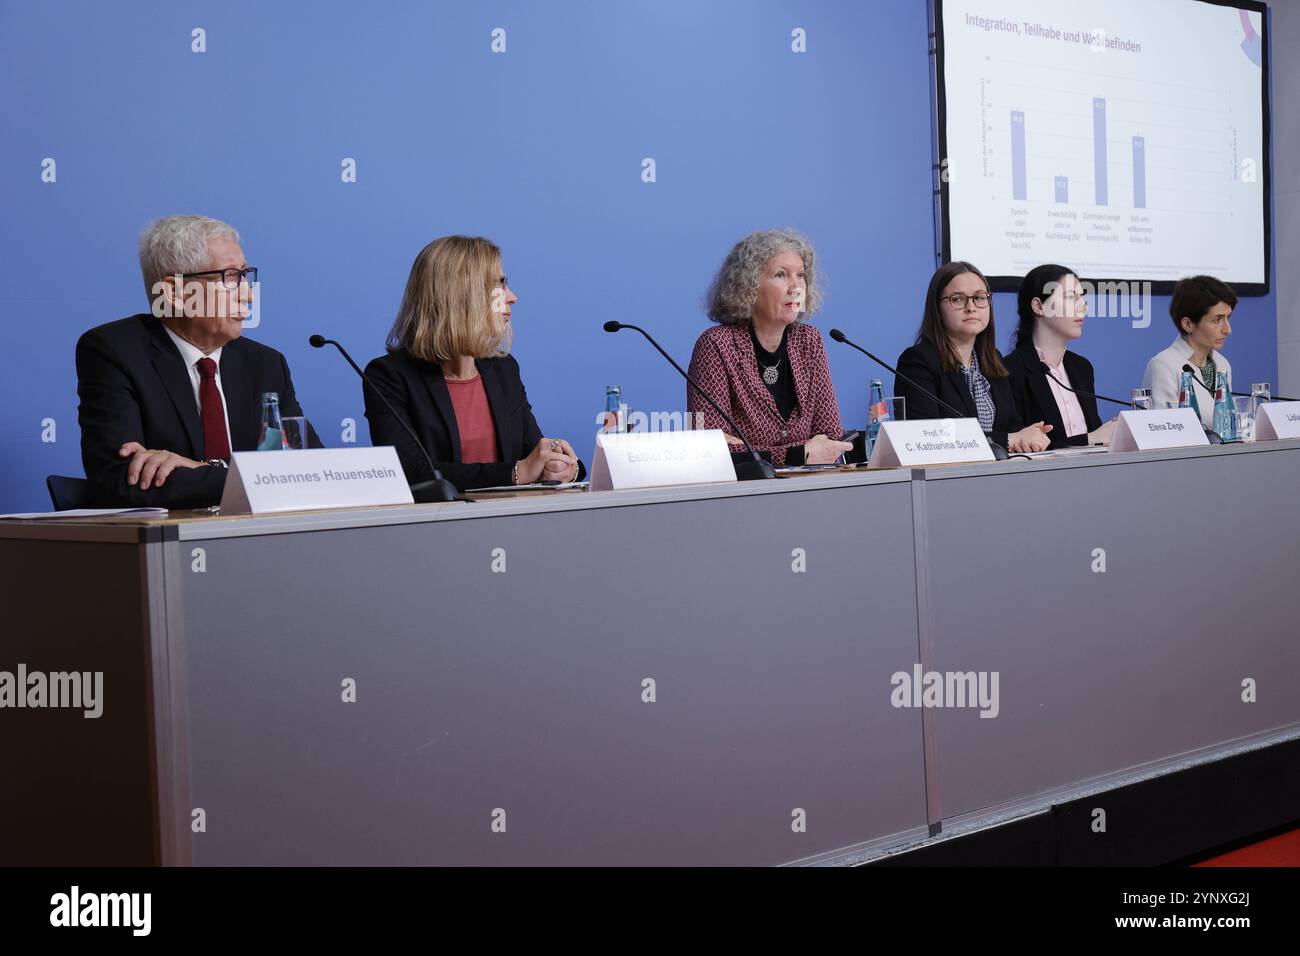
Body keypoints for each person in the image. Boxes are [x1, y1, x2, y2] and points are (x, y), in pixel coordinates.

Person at [75, 215, 319, 508]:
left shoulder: (265, 363)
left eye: (245, 275)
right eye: (230, 277)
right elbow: (121, 479)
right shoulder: (115, 351)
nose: (248, 295)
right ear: (176, 293)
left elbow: (309, 472)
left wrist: (197, 470)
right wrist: (254, 480)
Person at [364, 235, 582, 491]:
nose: (512, 297)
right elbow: (411, 472)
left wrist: (559, 466)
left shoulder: (503, 368)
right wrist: (516, 472)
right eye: (499, 285)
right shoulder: (389, 376)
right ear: (461, 296)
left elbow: (529, 451)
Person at [687, 228, 851, 467]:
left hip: (809, 488)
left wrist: (752, 449)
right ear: (748, 286)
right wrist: (797, 453)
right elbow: (710, 446)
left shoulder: (809, 341)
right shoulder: (716, 345)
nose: (796, 287)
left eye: (801, 275)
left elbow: (829, 436)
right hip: (743, 493)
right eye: (781, 275)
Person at [895, 261, 1052, 454]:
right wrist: (1009, 439)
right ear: (937, 309)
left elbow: (1011, 424)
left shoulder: (993, 359)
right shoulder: (917, 363)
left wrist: (1028, 436)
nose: (971, 307)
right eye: (958, 299)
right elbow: (927, 438)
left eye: (979, 298)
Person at [1004, 264, 1116, 448]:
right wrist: (1091, 438)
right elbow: (1023, 448)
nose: (1082, 308)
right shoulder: (1010, 371)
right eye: (1071, 298)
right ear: (1039, 306)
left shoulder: (1081, 367)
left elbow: (1095, 437)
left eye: (1082, 299)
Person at [1142, 275, 1235, 429]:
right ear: (1188, 324)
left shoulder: (1222, 364)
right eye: (1217, 320)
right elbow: (1160, 432)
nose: (1227, 329)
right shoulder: (1163, 366)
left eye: (1228, 318)